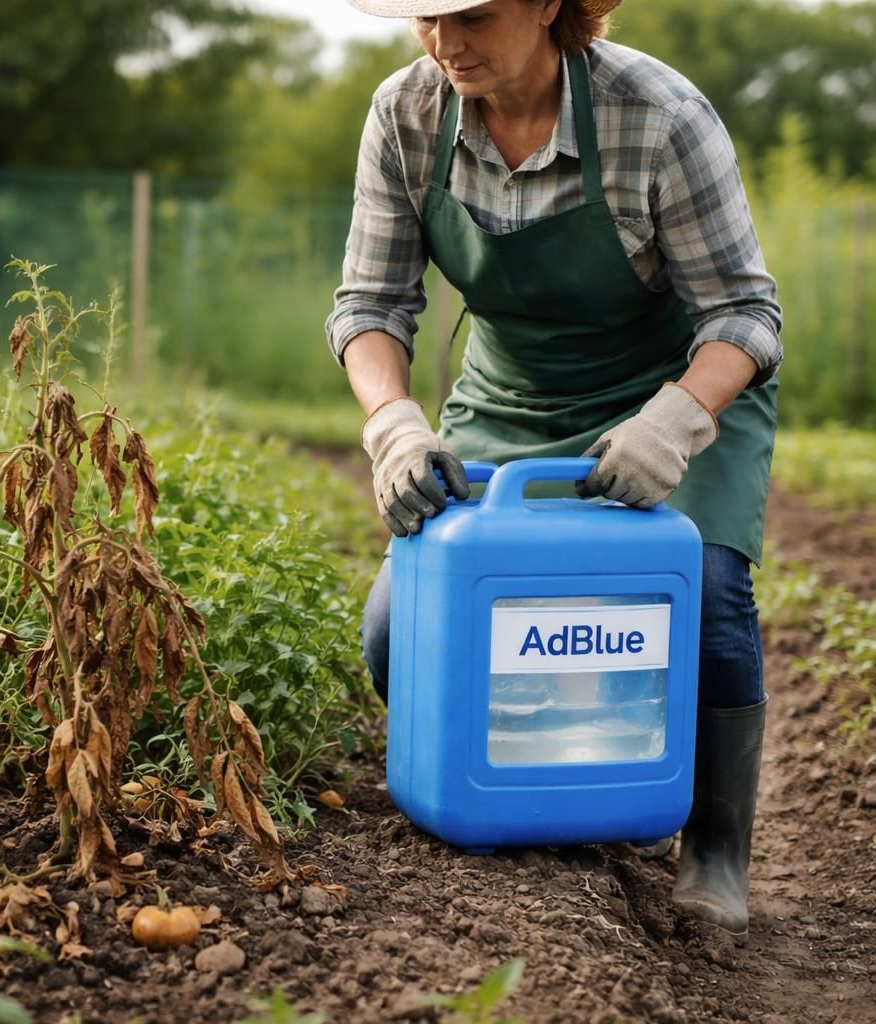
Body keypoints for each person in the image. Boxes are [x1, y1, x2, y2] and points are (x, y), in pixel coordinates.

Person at [328, 0, 780, 939]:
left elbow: (743, 314)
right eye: (426, 17)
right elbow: (370, 303)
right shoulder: (407, 113)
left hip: (672, 393)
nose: (446, 42)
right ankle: (555, 779)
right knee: (395, 631)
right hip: (510, 397)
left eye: (473, 15)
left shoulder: (657, 116)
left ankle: (715, 844)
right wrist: (394, 424)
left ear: (547, 3)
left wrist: (673, 423)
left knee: (702, 590)